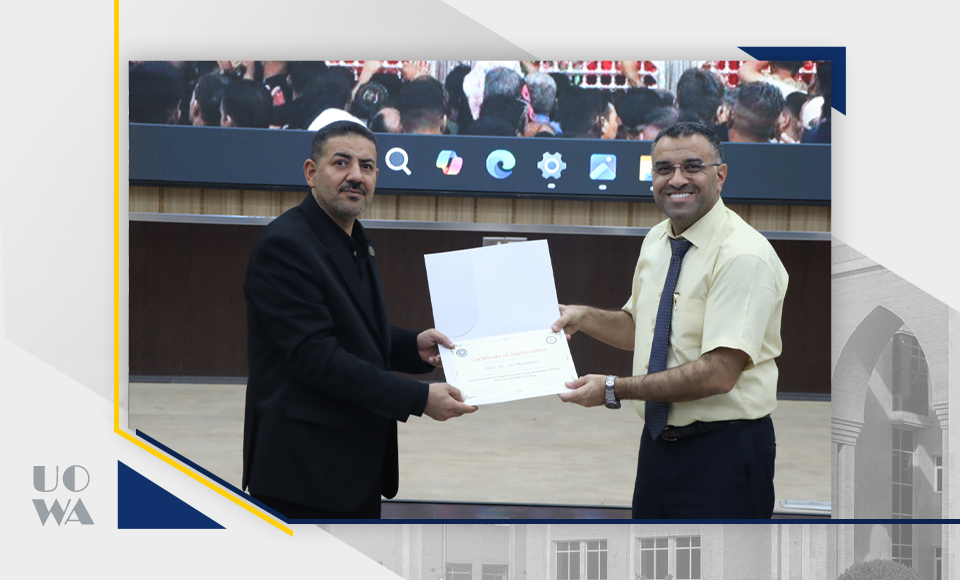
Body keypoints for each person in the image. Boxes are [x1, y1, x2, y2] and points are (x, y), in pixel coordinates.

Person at [242, 120, 477, 519]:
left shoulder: (353, 238)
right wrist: (419, 399)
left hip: (350, 467)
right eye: (342, 163)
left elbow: (352, 330)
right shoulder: (286, 245)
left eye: (366, 166)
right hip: (302, 473)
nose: (356, 175)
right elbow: (317, 358)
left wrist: (412, 347)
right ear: (311, 172)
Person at [553, 122, 787, 519]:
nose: (677, 179)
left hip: (725, 453)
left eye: (692, 166)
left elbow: (718, 374)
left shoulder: (743, 255)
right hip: (658, 446)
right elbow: (644, 329)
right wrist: (584, 317)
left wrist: (613, 389)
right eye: (664, 169)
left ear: (720, 175)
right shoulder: (658, 240)